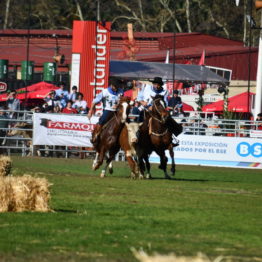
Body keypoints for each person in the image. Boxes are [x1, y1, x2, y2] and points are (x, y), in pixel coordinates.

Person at [87, 78, 124, 144]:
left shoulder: (121, 91)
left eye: (118, 86)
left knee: (125, 121)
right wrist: (90, 111)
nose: (116, 88)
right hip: (108, 110)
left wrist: (118, 105)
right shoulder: (105, 92)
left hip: (118, 111)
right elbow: (94, 101)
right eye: (115, 86)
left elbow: (123, 101)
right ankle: (95, 135)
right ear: (111, 85)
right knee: (102, 120)